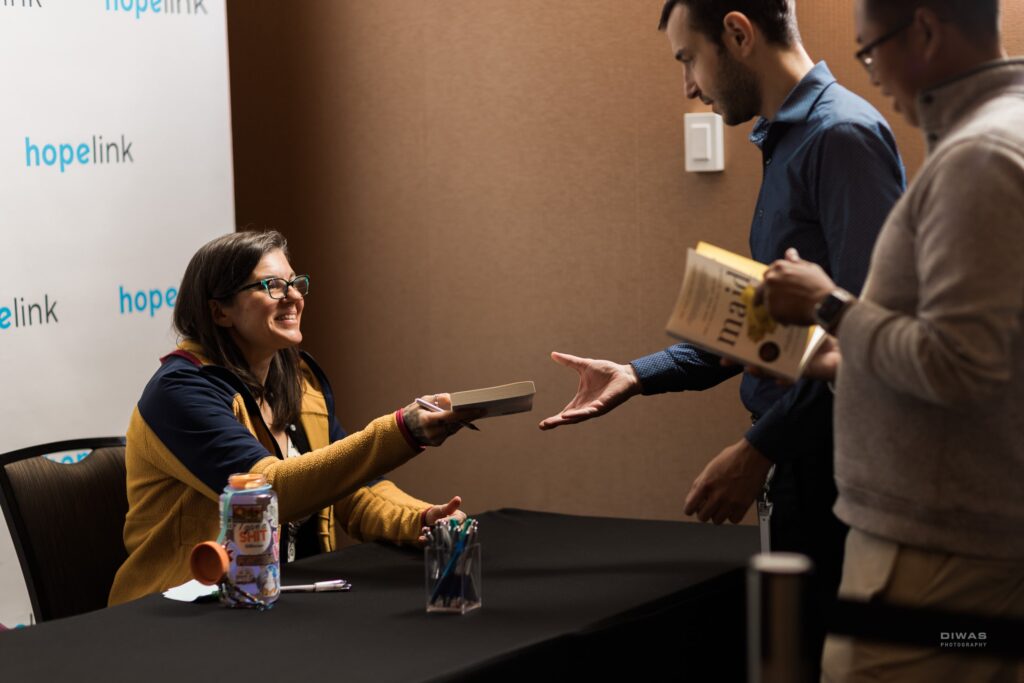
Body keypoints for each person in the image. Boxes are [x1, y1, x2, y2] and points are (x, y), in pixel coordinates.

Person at [539, 0, 905, 664]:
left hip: (835, 478)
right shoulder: (789, 139)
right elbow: (768, 326)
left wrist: (758, 448)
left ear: (737, 34)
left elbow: (869, 345)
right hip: (800, 470)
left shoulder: (841, 137)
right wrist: (638, 373)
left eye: (688, 59)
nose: (686, 85)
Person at [759, 1, 1024, 680]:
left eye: (870, 52)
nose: (872, 76)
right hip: (963, 546)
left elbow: (960, 364)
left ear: (926, 29)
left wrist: (829, 302)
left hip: (933, 562)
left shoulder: (979, 157)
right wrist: (840, 359)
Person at [109, 231, 475, 605]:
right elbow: (267, 492)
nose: (295, 297)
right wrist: (401, 431)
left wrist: (423, 518)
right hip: (179, 613)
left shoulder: (297, 381)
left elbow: (352, 490)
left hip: (282, 602)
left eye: (295, 284)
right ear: (220, 311)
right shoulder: (179, 391)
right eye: (272, 285)